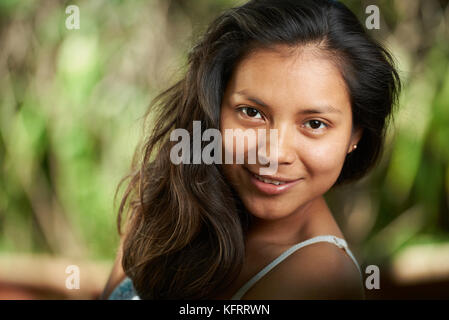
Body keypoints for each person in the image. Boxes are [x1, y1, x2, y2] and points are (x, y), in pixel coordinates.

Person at [101, 0, 401, 300]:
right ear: (215, 107)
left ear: (355, 134)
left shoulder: (319, 278)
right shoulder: (168, 196)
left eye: (314, 123)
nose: (272, 154)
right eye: (252, 113)